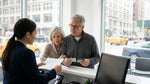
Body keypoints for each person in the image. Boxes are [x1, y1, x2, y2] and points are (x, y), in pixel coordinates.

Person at [2, 18, 62, 84]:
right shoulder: (26, 53)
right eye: (35, 34)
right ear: (28, 34)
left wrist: (34, 67)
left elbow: (17, 71)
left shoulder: (7, 50)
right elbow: (39, 80)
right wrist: (54, 71)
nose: (36, 37)